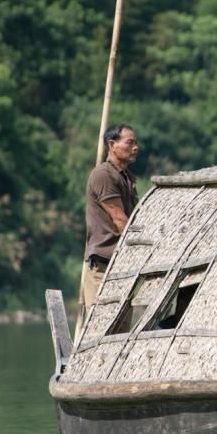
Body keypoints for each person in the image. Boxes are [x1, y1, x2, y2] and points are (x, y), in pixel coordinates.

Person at [78, 124, 140, 337]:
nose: (135, 147)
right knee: (101, 329)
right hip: (103, 265)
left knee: (121, 330)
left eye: (135, 143)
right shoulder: (104, 176)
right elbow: (120, 220)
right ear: (112, 145)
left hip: (120, 265)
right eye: (130, 142)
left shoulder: (126, 177)